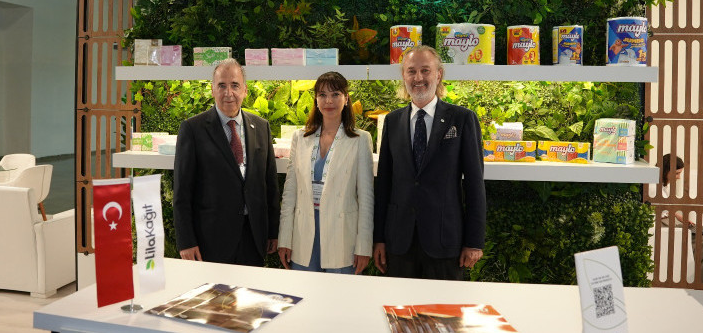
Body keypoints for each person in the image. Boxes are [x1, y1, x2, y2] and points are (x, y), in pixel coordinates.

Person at [373, 45, 486, 280]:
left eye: (425, 70)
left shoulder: (462, 119)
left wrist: (474, 242)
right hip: (399, 242)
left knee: (443, 304)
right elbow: (384, 185)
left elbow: (475, 184)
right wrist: (379, 239)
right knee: (398, 302)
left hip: (445, 241)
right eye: (411, 71)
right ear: (403, 76)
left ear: (439, 74)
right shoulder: (392, 122)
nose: (418, 78)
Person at [173, 58, 279, 266]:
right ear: (212, 90)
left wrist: (273, 231)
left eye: (235, 85)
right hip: (211, 241)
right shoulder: (192, 129)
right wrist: (186, 241)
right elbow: (182, 193)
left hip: (253, 238)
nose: (228, 93)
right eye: (222, 85)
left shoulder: (261, 127)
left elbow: (270, 186)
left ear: (245, 90)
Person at [277, 71, 374, 274]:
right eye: (322, 95)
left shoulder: (360, 140)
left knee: (339, 292)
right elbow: (289, 194)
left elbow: (366, 199)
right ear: (316, 99)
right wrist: (285, 239)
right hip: (303, 235)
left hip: (342, 237)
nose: (329, 101)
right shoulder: (300, 138)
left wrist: (363, 247)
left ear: (346, 98)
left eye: (335, 94)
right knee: (304, 291)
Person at [660, 153, 703, 279]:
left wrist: (678, 216)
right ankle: (701, 279)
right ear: (666, 171)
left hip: (670, 220)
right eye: (677, 173)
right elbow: (656, 209)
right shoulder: (654, 187)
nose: (678, 177)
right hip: (664, 225)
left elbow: (662, 207)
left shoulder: (663, 186)